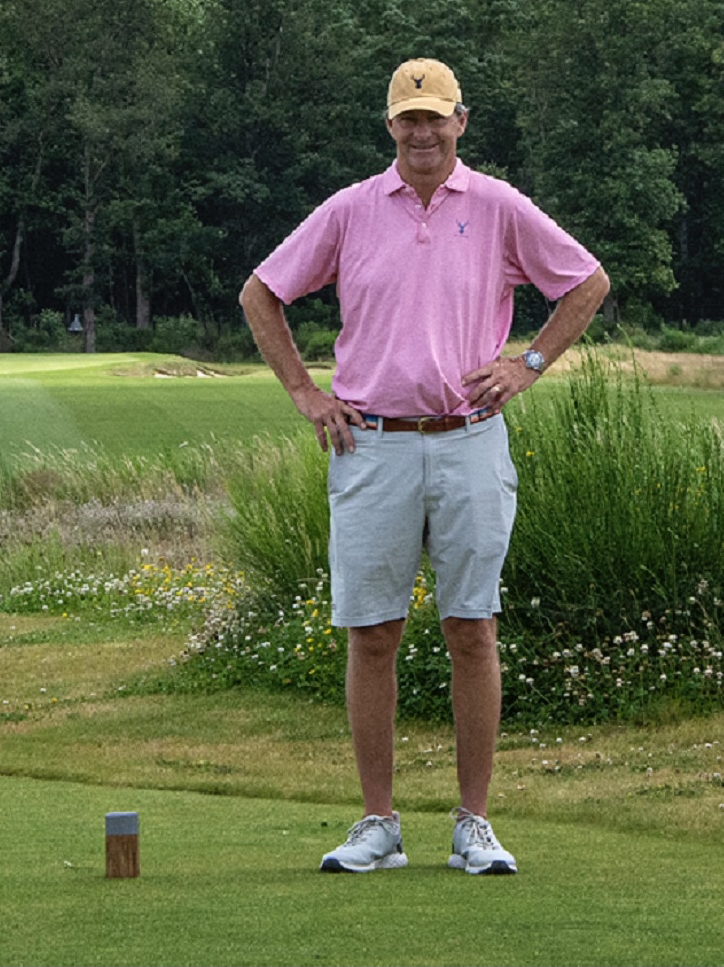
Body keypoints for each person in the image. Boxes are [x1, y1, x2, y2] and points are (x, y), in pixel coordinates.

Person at [238, 57, 609, 876]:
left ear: (460, 122)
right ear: (389, 126)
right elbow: (260, 292)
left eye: (436, 116)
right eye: (408, 118)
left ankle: (473, 822)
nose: (422, 131)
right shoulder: (349, 210)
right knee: (371, 633)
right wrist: (304, 391)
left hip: (469, 436)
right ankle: (377, 822)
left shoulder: (499, 205)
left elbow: (586, 280)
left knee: (470, 626)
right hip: (368, 442)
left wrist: (529, 363)